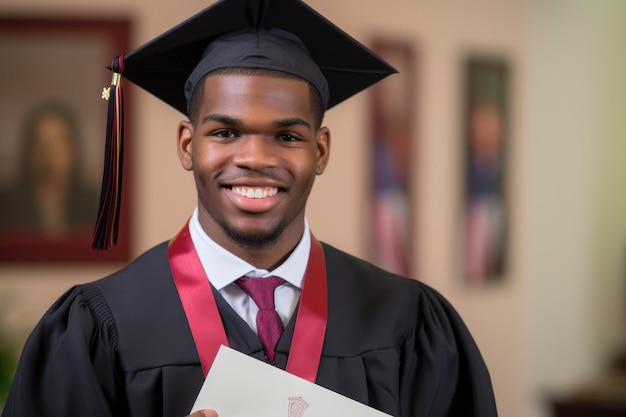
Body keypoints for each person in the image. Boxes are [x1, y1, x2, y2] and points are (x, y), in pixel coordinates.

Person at [2, 0, 498, 416]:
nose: (256, 159)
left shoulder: (408, 324)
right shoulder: (97, 331)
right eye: (225, 132)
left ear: (320, 151)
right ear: (186, 145)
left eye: (286, 135)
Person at [0, 102, 98, 236]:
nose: (49, 153)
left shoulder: (94, 207)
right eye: (41, 142)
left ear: (74, 151)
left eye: (59, 143)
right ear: (28, 152)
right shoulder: (6, 206)